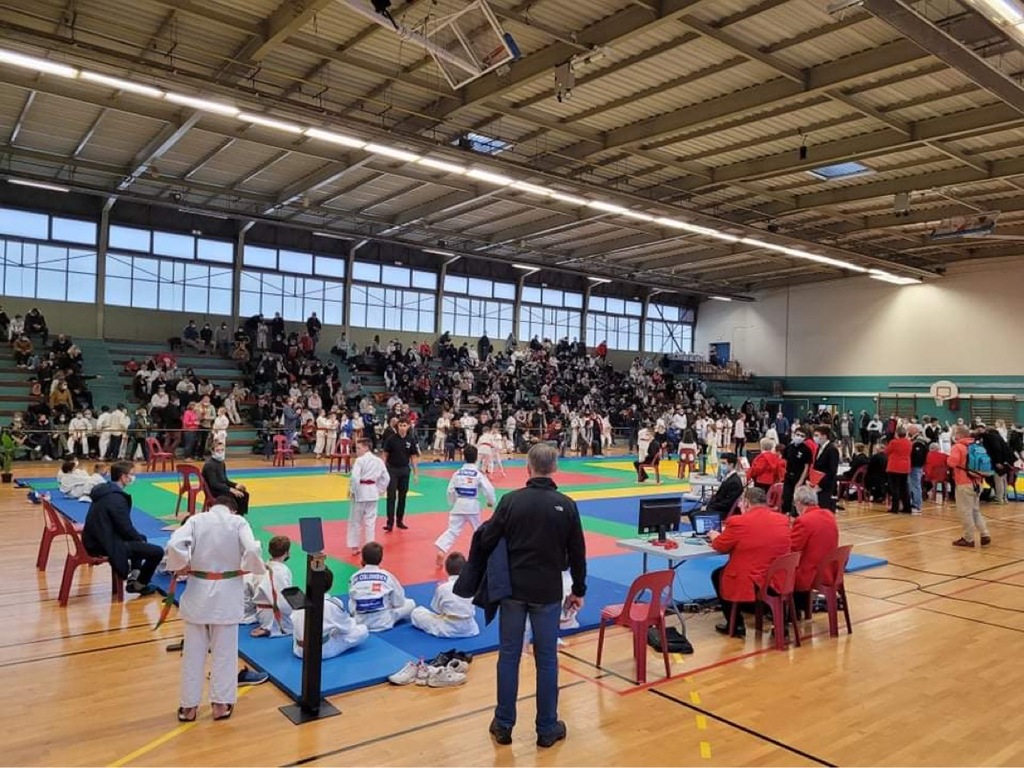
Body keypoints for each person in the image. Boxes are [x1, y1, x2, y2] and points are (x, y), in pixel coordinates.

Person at [477, 443, 587, 749]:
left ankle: (503, 724)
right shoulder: (566, 505)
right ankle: (547, 727)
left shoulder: (510, 501)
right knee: (547, 658)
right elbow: (578, 552)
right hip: (547, 591)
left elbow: (487, 539)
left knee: (509, 656)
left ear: (528, 467)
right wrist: (578, 590)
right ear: (555, 468)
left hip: (513, 590)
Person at [164, 496, 265, 722]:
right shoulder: (238, 522)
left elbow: (174, 544)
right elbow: (252, 549)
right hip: (227, 595)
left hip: (198, 593)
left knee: (193, 654)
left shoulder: (196, 520)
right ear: (233, 510)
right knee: (225, 654)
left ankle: (188, 707)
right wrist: (249, 567)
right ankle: (220, 704)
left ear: (210, 506)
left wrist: (181, 565)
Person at [708, 487, 791, 638]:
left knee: (718, 575)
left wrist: (714, 536)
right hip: (776, 578)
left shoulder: (738, 522)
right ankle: (778, 621)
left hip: (751, 579)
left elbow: (720, 546)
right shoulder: (782, 520)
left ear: (746, 502)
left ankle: (736, 624)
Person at [82, 461, 163, 595]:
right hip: (103, 544)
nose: (133, 477)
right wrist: (138, 540)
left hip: (95, 538)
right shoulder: (116, 499)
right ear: (123, 477)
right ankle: (140, 585)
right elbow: (125, 528)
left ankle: (134, 577)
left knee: (140, 538)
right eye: (132, 474)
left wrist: (137, 538)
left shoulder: (105, 490)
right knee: (157, 552)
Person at [435, 444, 496, 568]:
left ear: (464, 457)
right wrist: (491, 501)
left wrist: (453, 502)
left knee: (452, 530)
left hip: (459, 505)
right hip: (472, 507)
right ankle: (484, 555)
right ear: (476, 458)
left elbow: (450, 491)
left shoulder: (457, 473)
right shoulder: (478, 473)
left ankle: (442, 550)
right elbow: (488, 489)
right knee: (478, 531)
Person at [293, 568, 369, 659]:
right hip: (321, 650)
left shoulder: (299, 600)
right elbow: (347, 628)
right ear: (330, 585)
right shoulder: (332, 604)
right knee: (363, 630)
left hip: (298, 649)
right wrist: (353, 621)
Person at [790, 486, 839, 610]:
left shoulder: (803, 521)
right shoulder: (829, 515)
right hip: (830, 570)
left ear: (799, 503)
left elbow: (792, 548)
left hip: (811, 573)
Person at [348, 542, 415, 631]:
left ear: (363, 558)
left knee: (352, 600)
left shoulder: (354, 577)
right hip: (383, 621)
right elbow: (399, 602)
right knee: (410, 603)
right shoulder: (387, 576)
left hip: (360, 621)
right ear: (381, 559)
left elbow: (353, 602)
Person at [411, 552, 480, 638]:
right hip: (470, 629)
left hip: (448, 629)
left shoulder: (442, 588)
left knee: (416, 613)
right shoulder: (472, 585)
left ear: (447, 570)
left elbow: (437, 609)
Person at [948, 425, 992, 548]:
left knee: (965, 512)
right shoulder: (976, 446)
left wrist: (948, 458)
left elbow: (952, 463)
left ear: (959, 435)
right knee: (975, 510)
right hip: (977, 482)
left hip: (964, 483)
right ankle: (984, 533)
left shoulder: (958, 447)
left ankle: (968, 538)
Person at [245, 535, 293, 638]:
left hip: (260, 613)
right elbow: (283, 602)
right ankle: (270, 627)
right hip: (275, 616)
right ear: (287, 552)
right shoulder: (282, 571)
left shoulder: (261, 568)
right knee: (303, 618)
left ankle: (266, 626)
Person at [348, 438, 390, 556]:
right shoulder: (378, 461)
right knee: (370, 522)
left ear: (366, 447)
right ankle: (369, 547)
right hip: (372, 492)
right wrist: (380, 490)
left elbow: (355, 478)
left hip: (360, 492)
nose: (357, 451)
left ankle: (355, 547)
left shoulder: (360, 461)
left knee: (356, 521)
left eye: (359, 448)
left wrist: (353, 491)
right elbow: (386, 478)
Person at [382, 418, 419, 531]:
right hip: (392, 470)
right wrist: (382, 470)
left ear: (408, 426)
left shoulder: (411, 440)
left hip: (404, 470)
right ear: (397, 427)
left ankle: (400, 520)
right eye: (400, 425)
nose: (402, 428)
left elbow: (413, 457)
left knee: (403, 496)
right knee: (391, 496)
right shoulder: (391, 439)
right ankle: (390, 523)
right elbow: (385, 454)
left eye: (404, 425)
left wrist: (415, 473)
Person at [202, 443, 250, 516]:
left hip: (222, 488)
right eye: (218, 450)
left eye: (222, 450)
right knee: (233, 496)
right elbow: (214, 484)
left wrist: (236, 485)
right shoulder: (209, 465)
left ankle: (239, 515)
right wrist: (230, 489)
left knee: (244, 494)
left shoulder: (221, 463)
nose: (220, 452)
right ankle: (231, 514)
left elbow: (225, 480)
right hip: (213, 491)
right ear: (212, 451)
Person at [781, 427, 813, 515]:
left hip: (799, 477)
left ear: (805, 438)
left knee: (798, 500)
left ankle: (797, 516)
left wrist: (800, 481)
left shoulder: (806, 450)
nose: (799, 437)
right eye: (798, 435)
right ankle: (786, 515)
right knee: (786, 498)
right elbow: (784, 462)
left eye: (802, 436)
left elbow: (806, 467)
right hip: (788, 477)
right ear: (794, 435)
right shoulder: (788, 448)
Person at [704, 452, 744, 519]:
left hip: (722, 512)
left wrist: (710, 506)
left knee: (693, 515)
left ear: (731, 465)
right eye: (721, 463)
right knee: (692, 513)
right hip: (718, 507)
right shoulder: (729, 478)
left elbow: (727, 504)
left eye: (724, 463)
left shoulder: (734, 482)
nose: (721, 466)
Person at [811, 425, 840, 511]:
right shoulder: (819, 448)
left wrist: (820, 484)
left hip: (826, 485)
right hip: (817, 482)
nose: (815, 438)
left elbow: (832, 471)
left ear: (824, 436)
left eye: (817, 435)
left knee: (824, 509)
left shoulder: (832, 449)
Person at [886, 425, 912, 514]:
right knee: (904, 488)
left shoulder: (894, 442)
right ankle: (907, 507)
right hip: (905, 467)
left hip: (894, 467)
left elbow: (887, 451)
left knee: (895, 488)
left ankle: (895, 508)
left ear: (897, 434)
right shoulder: (909, 442)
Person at [908, 424, 929, 513]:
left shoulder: (919, 441)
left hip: (916, 466)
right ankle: (912, 502)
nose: (908, 431)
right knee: (911, 485)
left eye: (909, 430)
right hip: (913, 466)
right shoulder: (913, 440)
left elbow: (918, 455)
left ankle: (917, 504)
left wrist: (913, 463)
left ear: (914, 430)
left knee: (916, 485)